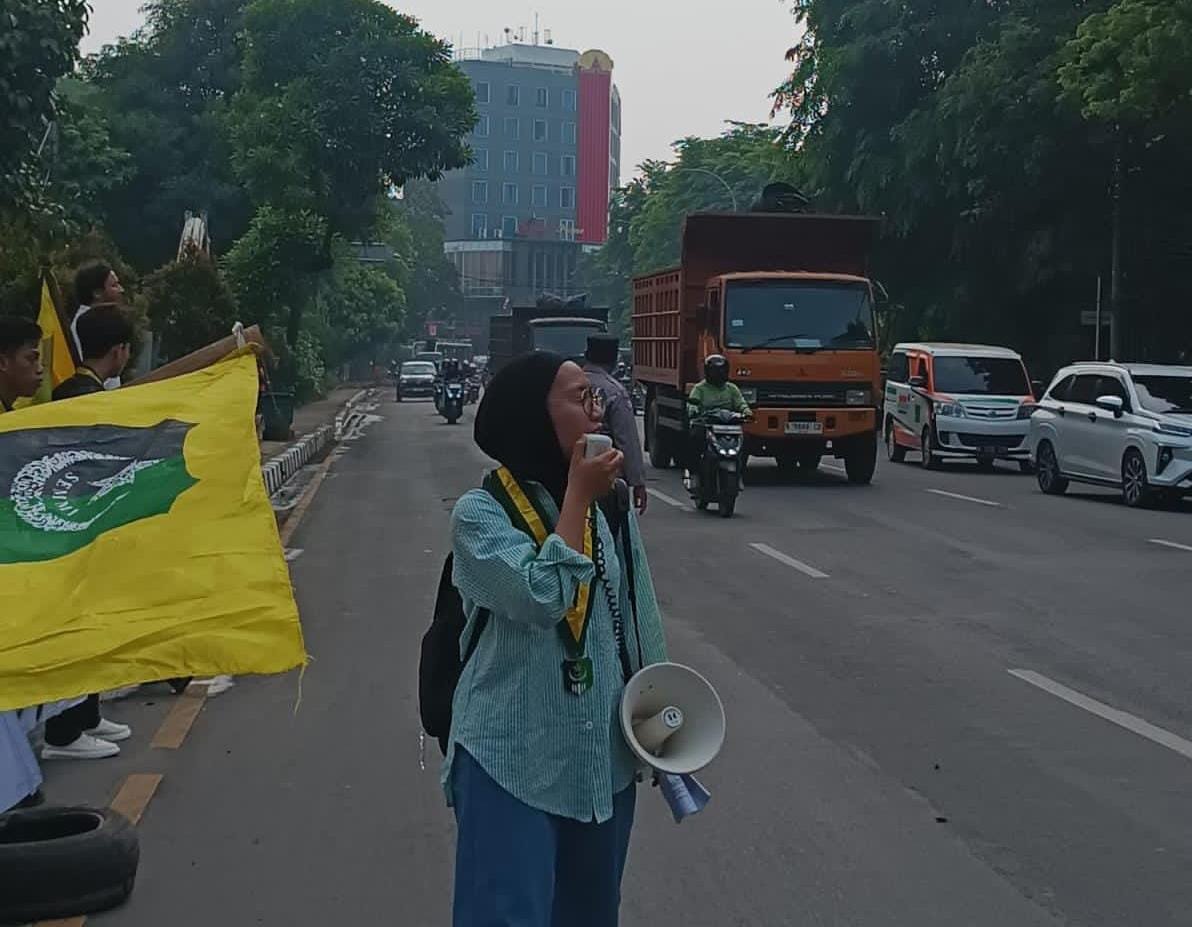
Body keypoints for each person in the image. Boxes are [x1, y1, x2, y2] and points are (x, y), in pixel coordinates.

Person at [447, 352, 668, 927]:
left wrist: (663, 713)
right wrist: (576, 496)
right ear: (532, 417)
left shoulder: (611, 506)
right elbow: (542, 598)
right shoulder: (480, 515)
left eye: (596, 398)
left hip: (601, 760)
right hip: (509, 760)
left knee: (591, 915)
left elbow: (640, 614)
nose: (597, 412)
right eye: (578, 398)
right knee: (506, 913)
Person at [41, 307, 135, 760]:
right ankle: (64, 732)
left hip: (85, 521)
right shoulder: (83, 396)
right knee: (76, 626)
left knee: (93, 621)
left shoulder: (80, 390)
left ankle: (88, 713)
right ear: (118, 351)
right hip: (75, 524)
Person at [583, 334, 648, 515]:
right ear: (613, 360)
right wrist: (637, 482)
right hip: (606, 477)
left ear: (587, 355)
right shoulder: (614, 391)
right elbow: (626, 439)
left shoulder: (569, 385)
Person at [685, 354, 751, 471]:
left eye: (721, 371)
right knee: (694, 437)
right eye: (715, 371)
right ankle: (693, 470)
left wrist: (746, 412)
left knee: (746, 441)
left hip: (728, 424)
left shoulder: (731, 388)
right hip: (707, 423)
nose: (718, 374)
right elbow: (693, 403)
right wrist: (693, 410)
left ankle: (740, 470)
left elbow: (740, 403)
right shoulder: (700, 388)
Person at [70, 261, 126, 390]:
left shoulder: (104, 320)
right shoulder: (84, 326)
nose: (121, 290)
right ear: (97, 293)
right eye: (114, 285)